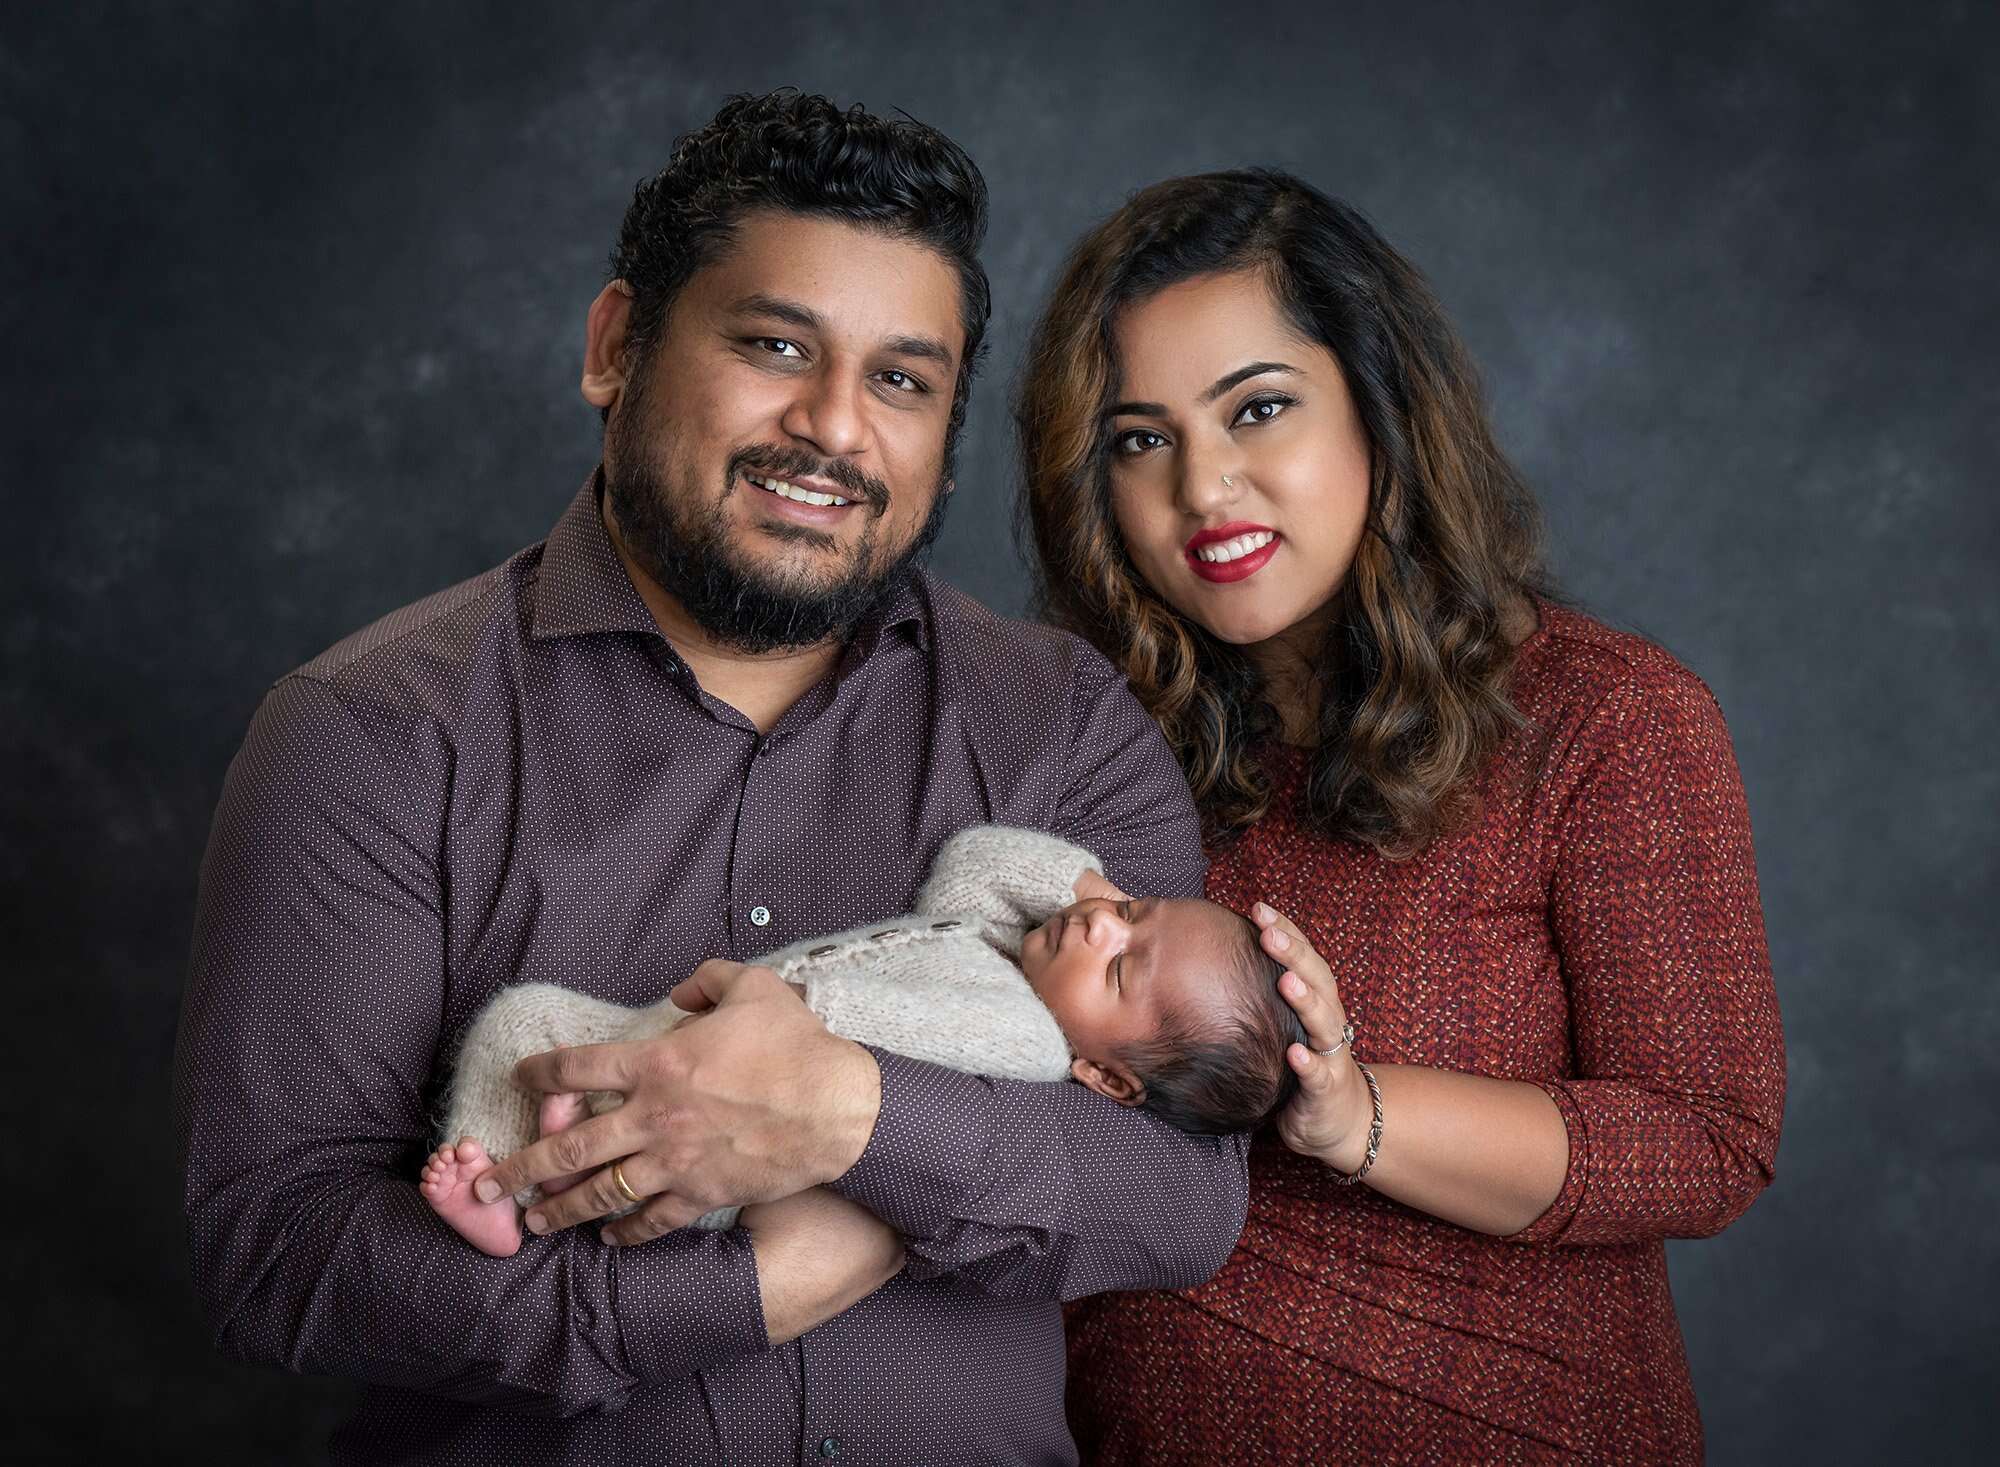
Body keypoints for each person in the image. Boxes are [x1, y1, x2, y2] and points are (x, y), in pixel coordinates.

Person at [173, 93, 1248, 1466]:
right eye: (775, 345)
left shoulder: (1065, 724)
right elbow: (283, 1250)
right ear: (616, 346)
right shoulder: (371, 730)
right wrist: (743, 1286)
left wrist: (848, 1115)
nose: (834, 427)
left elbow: (1179, 1192)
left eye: (903, 380)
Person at [1018, 169, 1787, 1464]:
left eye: (1257, 409)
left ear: (1380, 409)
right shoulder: (1090, 744)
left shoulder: (1604, 720)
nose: (1205, 486)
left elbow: (1708, 1140)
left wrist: (1352, 1112)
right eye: (1140, 438)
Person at [422, 824, 1305, 1257]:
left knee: (626, 1130)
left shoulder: (1026, 1040)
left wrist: (789, 1006)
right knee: (524, 1018)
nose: (1099, 928)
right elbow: (974, 865)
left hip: (737, 1110)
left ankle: (507, 1199)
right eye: (1128, 910)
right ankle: (507, 1162)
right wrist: (1091, 894)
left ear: (1106, 1079)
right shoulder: (1003, 946)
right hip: (671, 1037)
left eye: (1119, 972)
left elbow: (874, 1031)